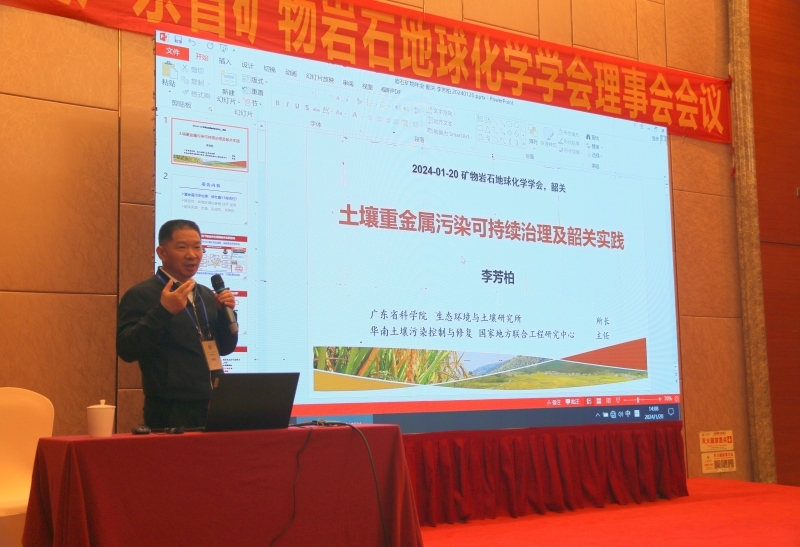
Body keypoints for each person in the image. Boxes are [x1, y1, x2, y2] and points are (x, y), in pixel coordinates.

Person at [117, 220, 238, 429]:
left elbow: (225, 348)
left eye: (197, 247)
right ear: (162, 253)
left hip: (213, 403)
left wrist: (223, 314)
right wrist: (163, 311)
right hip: (170, 409)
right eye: (182, 247)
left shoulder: (206, 295)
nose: (192, 255)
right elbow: (127, 349)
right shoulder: (141, 294)